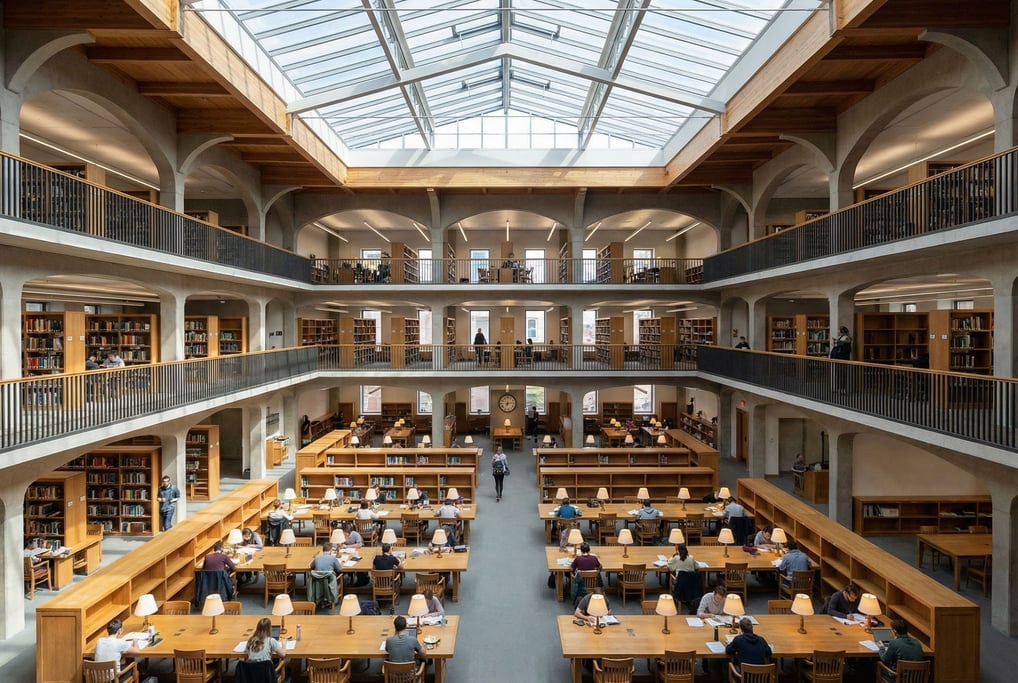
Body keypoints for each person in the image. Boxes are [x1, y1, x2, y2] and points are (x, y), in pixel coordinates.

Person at [668, 544, 699, 613]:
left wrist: (673, 556)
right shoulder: (691, 558)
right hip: (691, 582)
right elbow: (697, 567)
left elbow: (670, 567)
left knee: (674, 576)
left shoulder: (677, 558)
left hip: (680, 584)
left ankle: (677, 600)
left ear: (678, 551)